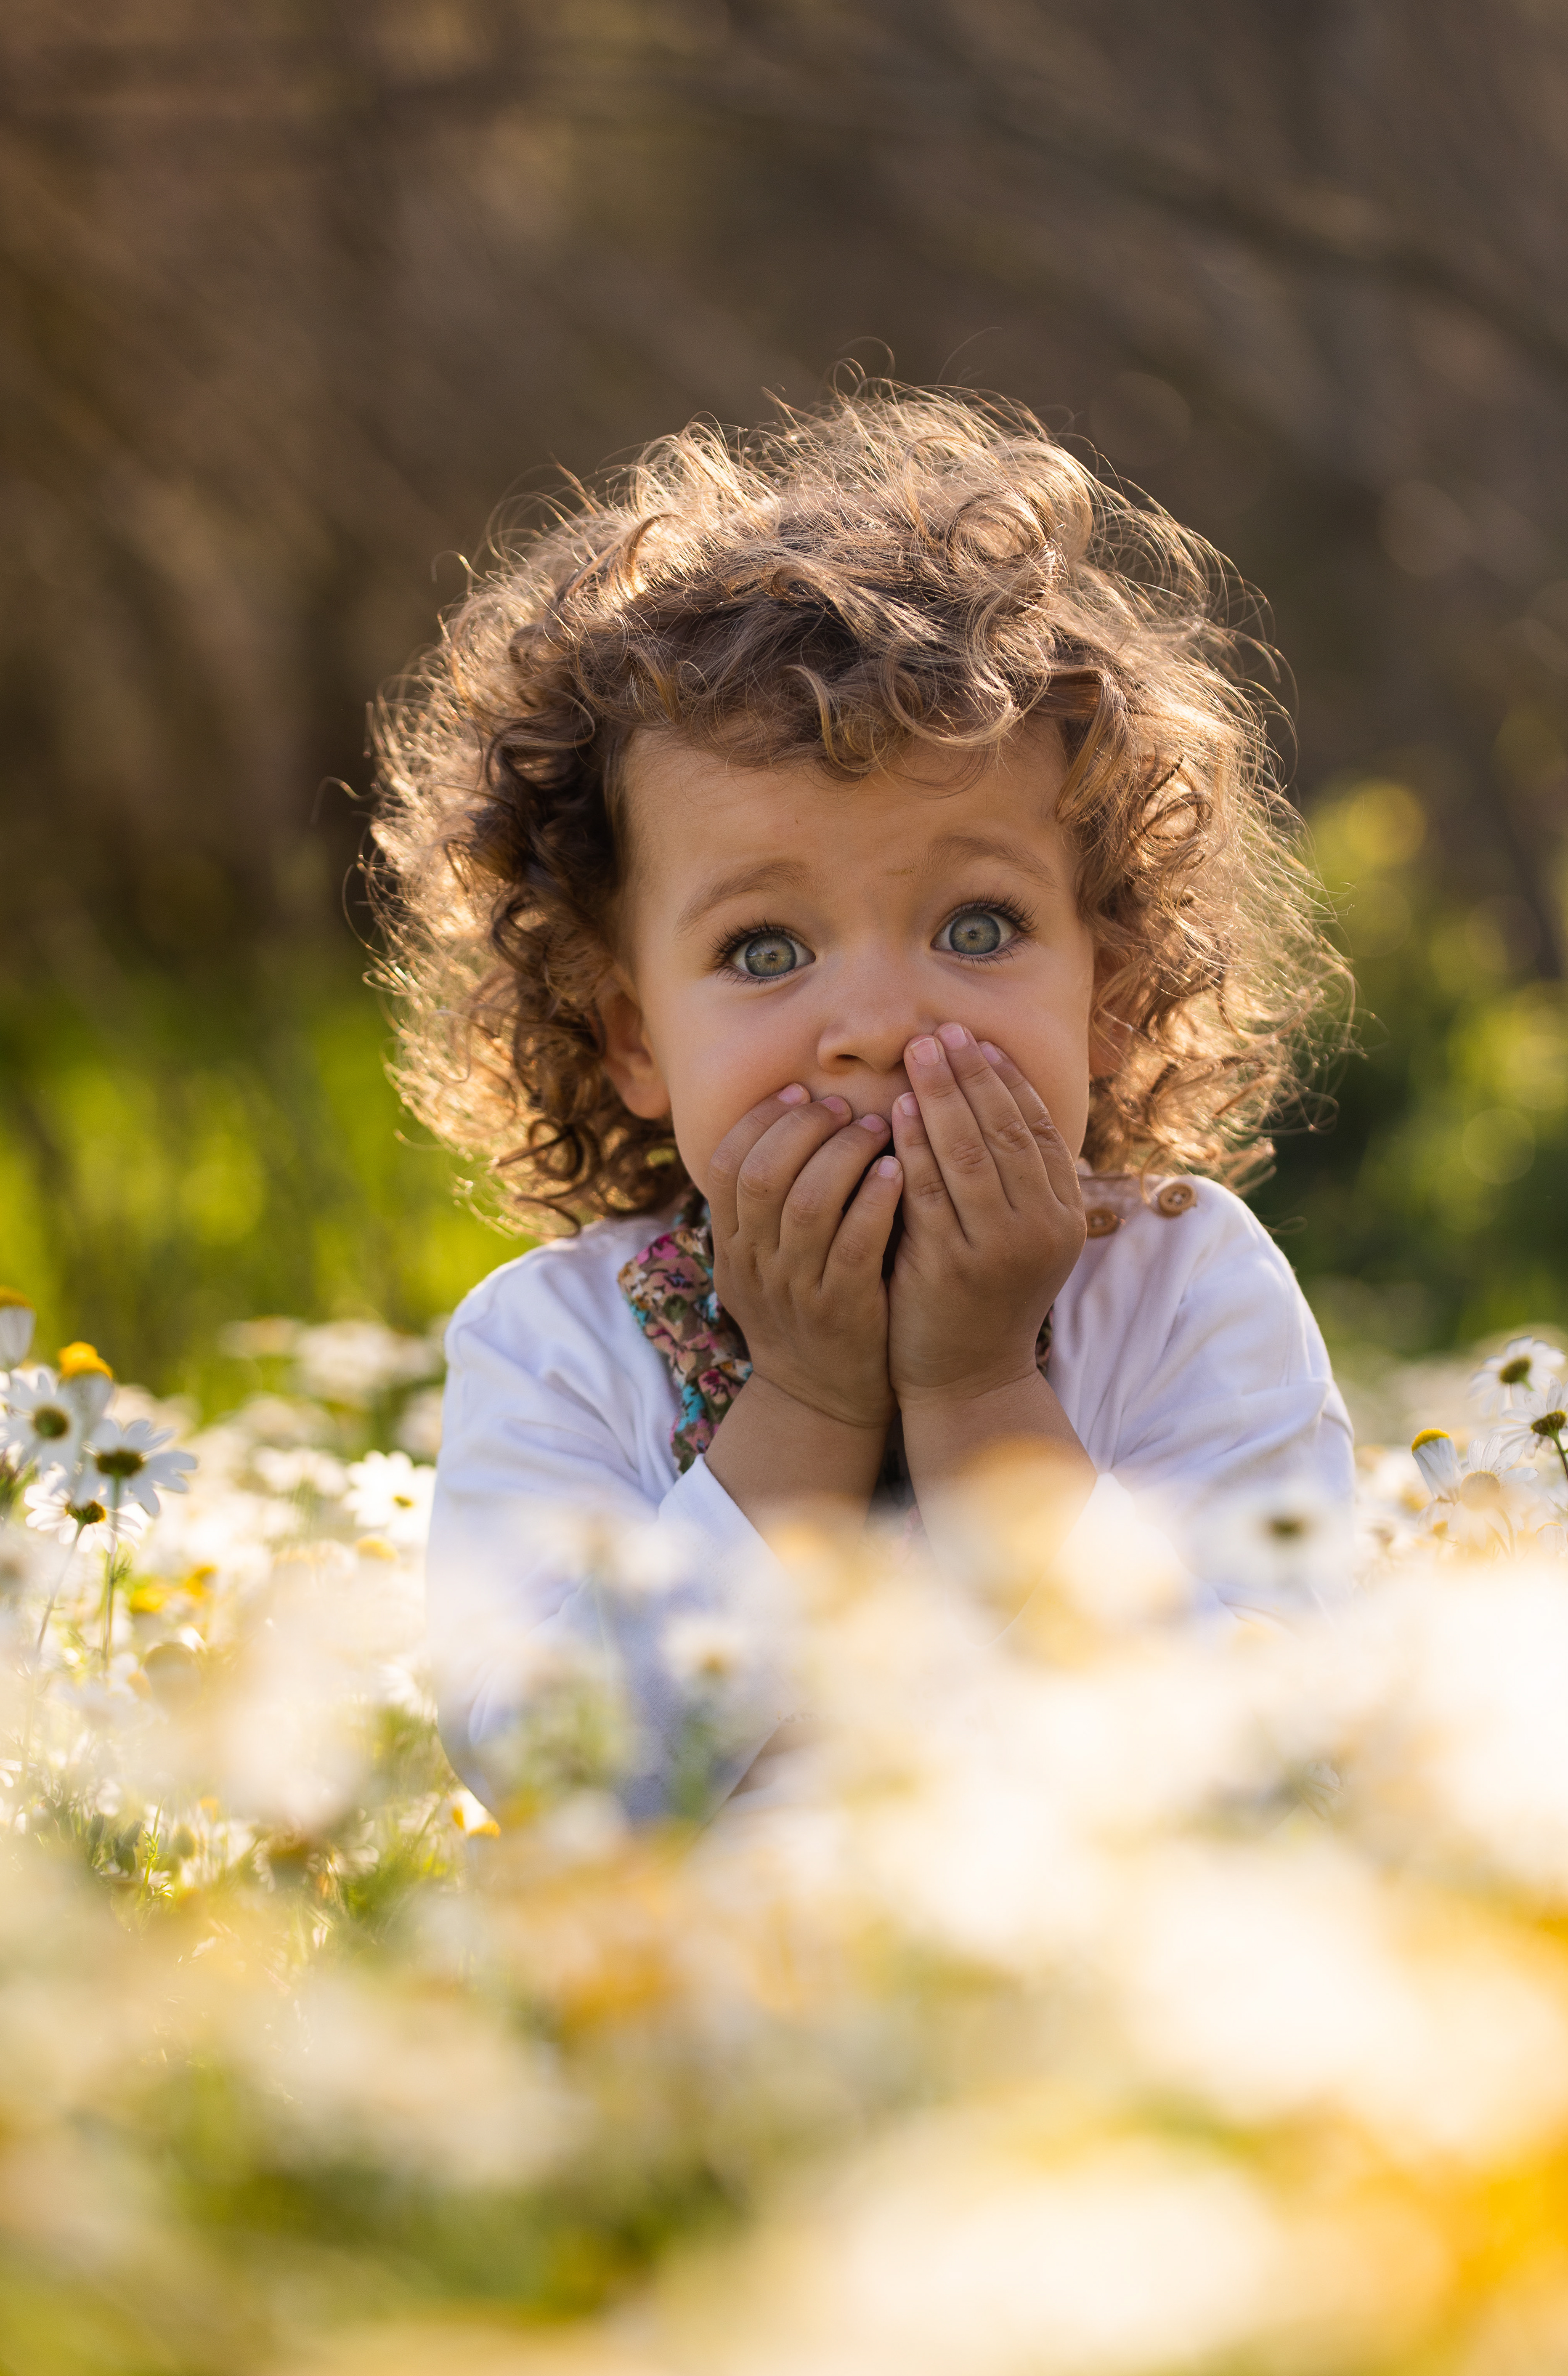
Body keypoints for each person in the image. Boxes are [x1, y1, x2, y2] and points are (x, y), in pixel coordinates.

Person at [371, 387, 1353, 1819]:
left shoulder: (1185, 1291)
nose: (883, 1026)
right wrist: (808, 1407)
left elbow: (1268, 1760)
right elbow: (555, 1777)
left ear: (1113, 988)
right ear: (634, 1036)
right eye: (765, 950)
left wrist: (978, 1390)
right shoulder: (561, 1350)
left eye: (976, 926)